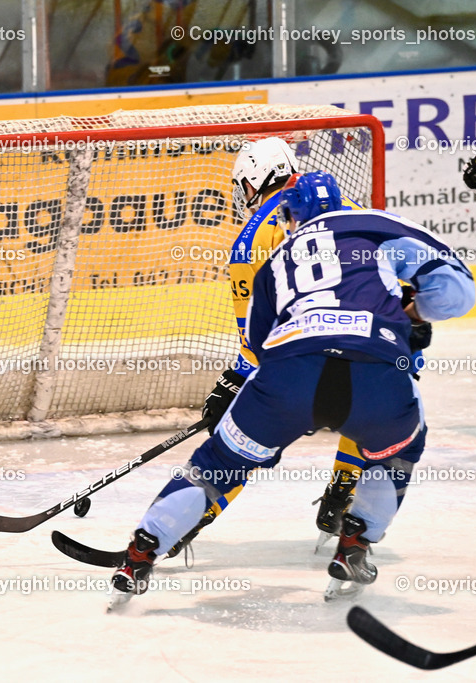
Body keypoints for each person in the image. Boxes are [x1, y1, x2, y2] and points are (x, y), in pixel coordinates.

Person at [112, 171, 475, 601]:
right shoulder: (378, 224)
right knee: (399, 449)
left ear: (289, 217)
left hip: (287, 378)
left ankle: (141, 552)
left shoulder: (274, 260)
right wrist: (414, 314)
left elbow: (260, 347)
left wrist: (279, 402)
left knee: (218, 462)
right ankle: (355, 542)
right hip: (375, 372)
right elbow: (458, 294)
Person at [172, 138, 373, 558]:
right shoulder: (352, 208)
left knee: (246, 440)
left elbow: (256, 341)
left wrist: (232, 383)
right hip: (365, 347)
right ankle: (342, 497)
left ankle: (185, 521)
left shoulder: (250, 241)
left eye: (243, 185)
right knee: (367, 414)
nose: (242, 196)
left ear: (258, 178)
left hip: (299, 362)